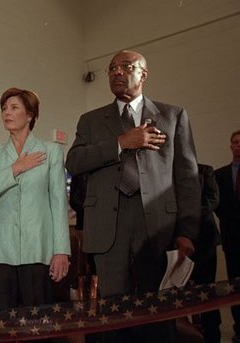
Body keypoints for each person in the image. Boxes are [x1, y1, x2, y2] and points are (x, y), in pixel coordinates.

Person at [65, 50, 201, 342]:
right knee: (112, 313)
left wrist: (187, 231)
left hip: (157, 227)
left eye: (126, 67)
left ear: (143, 74)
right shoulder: (91, 120)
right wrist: (121, 142)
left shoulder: (173, 115)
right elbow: (73, 162)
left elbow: (187, 178)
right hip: (108, 228)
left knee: (158, 311)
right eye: (112, 68)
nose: (117, 72)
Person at [0, 87, 71, 312]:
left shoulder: (51, 152)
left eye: (14, 107)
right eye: (4, 108)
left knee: (37, 322)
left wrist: (61, 250)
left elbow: (58, 203)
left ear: (30, 115)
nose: (7, 112)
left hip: (38, 247)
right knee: (2, 322)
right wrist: (14, 169)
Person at [214, 129, 240, 343]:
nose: (238, 145)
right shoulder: (219, 174)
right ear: (230, 146)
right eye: (235, 142)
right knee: (235, 287)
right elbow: (217, 204)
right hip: (232, 240)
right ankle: (238, 330)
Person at [192, 163, 221, 342]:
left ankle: (212, 336)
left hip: (204, 240)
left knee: (207, 291)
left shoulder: (205, 170)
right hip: (173, 242)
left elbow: (213, 199)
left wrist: (187, 215)